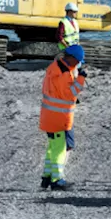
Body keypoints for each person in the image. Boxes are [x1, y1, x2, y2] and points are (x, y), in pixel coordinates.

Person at [39, 44, 87, 190]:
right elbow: (70, 92)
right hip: (59, 118)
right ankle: (57, 179)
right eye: (78, 61)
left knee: (52, 147)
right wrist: (81, 79)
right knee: (60, 149)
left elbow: (57, 92)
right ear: (71, 58)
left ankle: (46, 177)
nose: (78, 64)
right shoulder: (64, 73)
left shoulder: (54, 67)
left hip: (48, 116)